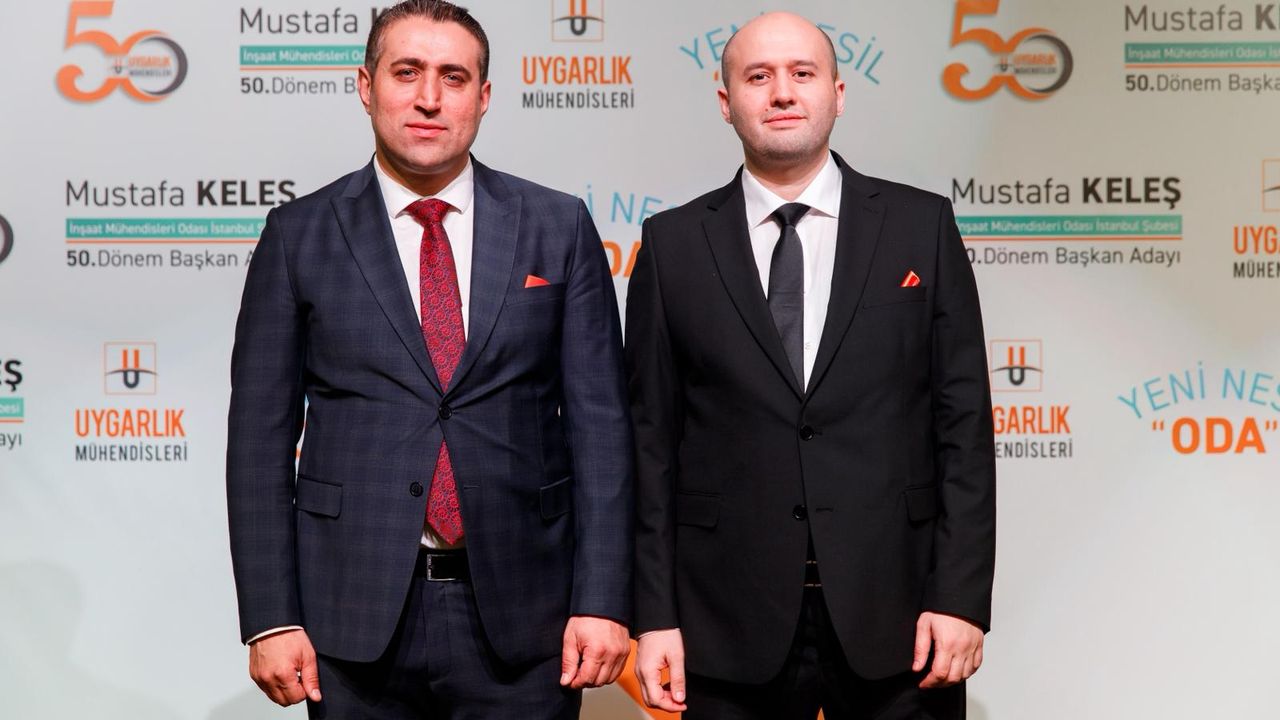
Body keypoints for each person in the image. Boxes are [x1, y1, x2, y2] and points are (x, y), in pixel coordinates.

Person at [226, 2, 633, 717]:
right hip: (349, 620)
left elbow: (601, 428)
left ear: (484, 96)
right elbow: (259, 439)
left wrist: (602, 599)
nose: (428, 98)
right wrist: (270, 617)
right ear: (366, 86)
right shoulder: (298, 235)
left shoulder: (558, 225)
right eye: (407, 72)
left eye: (453, 77)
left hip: (528, 618)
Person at [627, 12, 995, 719]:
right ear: (725, 100)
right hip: (722, 621)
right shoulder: (672, 245)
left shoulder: (921, 227)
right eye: (758, 76)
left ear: (838, 92)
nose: (782, 92)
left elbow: (965, 430)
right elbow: (649, 446)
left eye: (802, 73)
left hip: (902, 617)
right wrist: (653, 614)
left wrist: (960, 598)